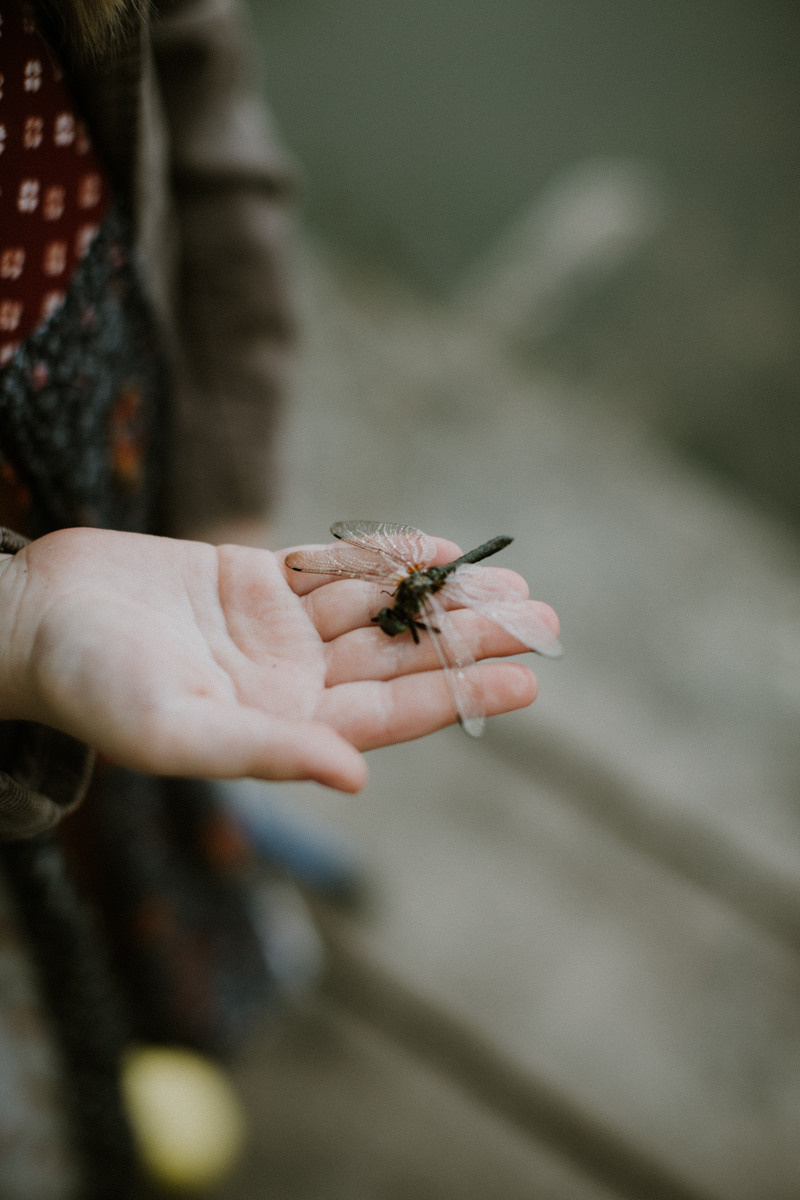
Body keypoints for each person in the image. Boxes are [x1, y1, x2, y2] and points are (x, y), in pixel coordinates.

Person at [0, 1, 558, 1196]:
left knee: (167, 744)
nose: (403, 613)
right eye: (407, 609)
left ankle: (201, 856)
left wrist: (226, 503)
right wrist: (13, 624)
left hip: (115, 420)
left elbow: (203, 109)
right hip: (43, 585)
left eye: (405, 609)